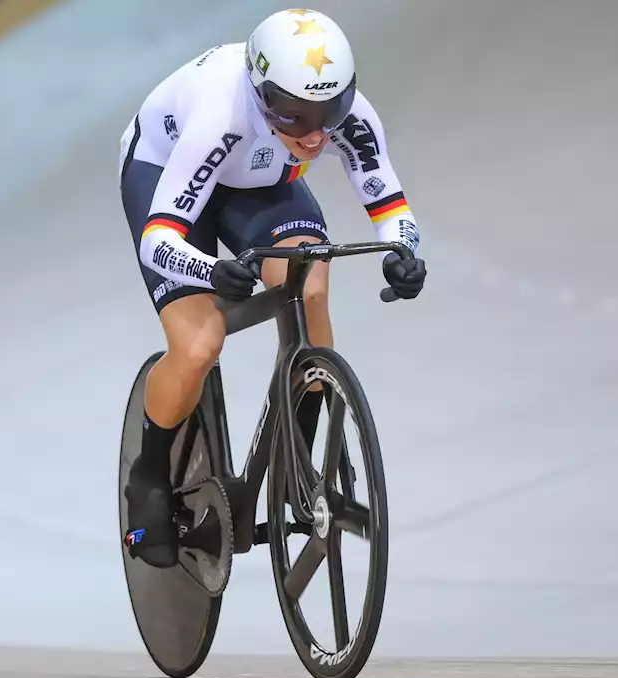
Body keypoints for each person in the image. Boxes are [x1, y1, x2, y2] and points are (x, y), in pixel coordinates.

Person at [118, 9, 427, 568]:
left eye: (326, 116)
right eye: (294, 118)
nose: (313, 135)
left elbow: (387, 199)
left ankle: (299, 458)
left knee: (309, 287)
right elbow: (158, 237)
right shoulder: (220, 115)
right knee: (200, 343)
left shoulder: (345, 115)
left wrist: (404, 251)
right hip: (165, 171)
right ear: (262, 98)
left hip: (259, 180)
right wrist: (208, 271)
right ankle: (147, 474)